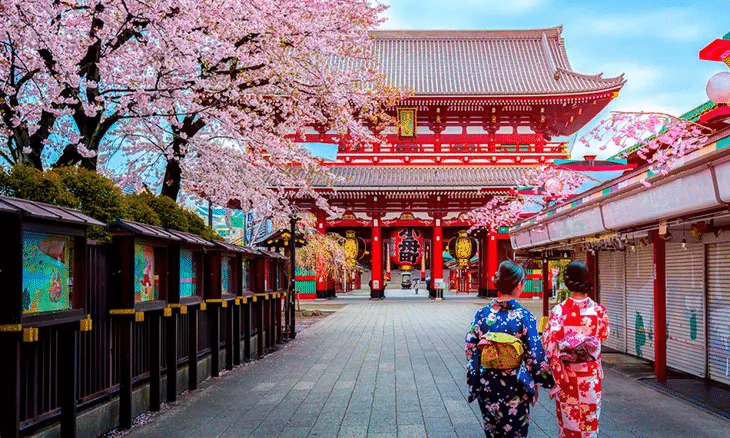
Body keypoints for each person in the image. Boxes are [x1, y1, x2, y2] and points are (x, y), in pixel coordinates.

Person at [465, 260, 554, 438]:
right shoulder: (524, 316)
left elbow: (470, 346)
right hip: (515, 385)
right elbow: (534, 354)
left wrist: (484, 359)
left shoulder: (482, 314)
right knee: (516, 432)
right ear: (519, 285)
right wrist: (546, 381)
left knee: (492, 430)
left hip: (487, 384)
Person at [542, 261, 610, 438]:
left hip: (568, 377)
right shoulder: (599, 311)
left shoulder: (559, 311)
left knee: (568, 424)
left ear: (567, 282)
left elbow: (548, 344)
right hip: (590, 377)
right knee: (589, 424)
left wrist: (557, 365)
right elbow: (603, 336)